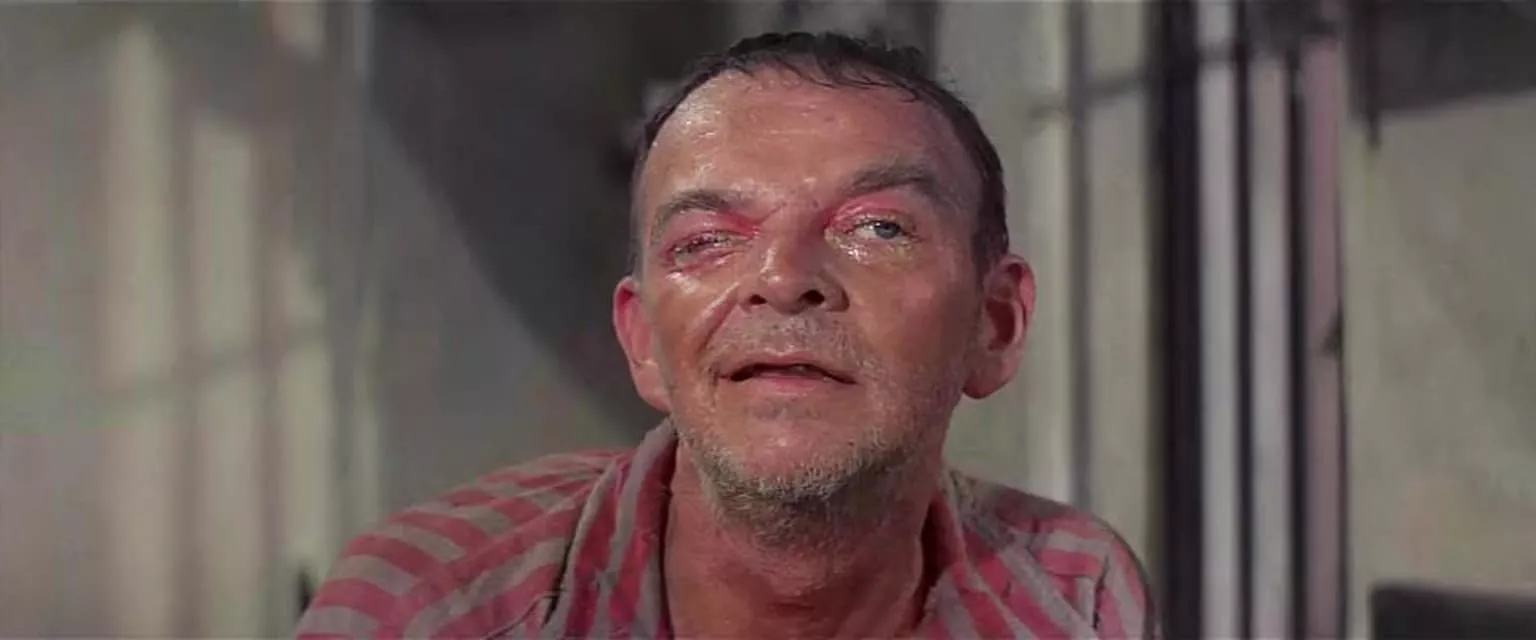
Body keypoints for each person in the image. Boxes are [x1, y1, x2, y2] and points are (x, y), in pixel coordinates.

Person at [296, 31, 1156, 639]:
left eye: (878, 227)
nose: (782, 278)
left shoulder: (1076, 596)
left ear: (995, 323)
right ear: (642, 340)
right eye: (706, 241)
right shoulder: (419, 609)